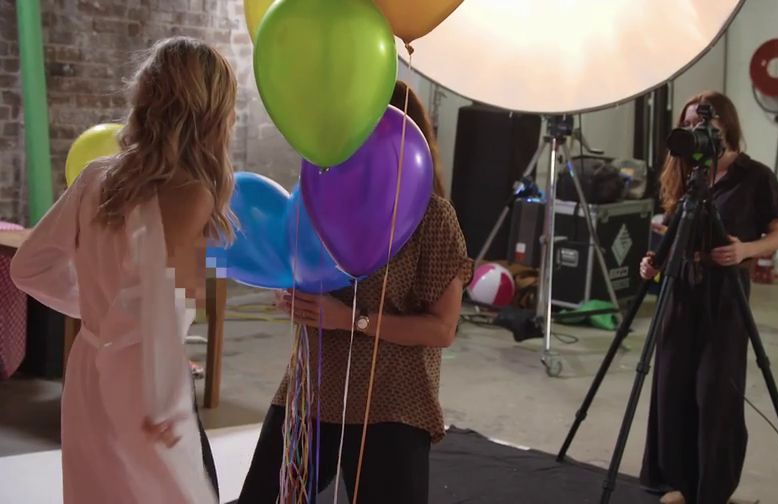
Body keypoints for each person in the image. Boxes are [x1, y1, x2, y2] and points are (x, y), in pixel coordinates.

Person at [11, 36, 237, 503]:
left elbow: (28, 267)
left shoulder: (95, 176)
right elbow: (159, 309)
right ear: (210, 113)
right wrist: (164, 400)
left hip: (88, 371)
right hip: (146, 383)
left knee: (96, 489)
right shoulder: (192, 193)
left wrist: (95, 310)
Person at [238, 80, 472, 504]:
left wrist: (351, 320)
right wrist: (293, 290)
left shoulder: (433, 218)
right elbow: (302, 267)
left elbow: (442, 329)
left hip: (392, 401)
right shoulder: (319, 201)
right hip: (312, 389)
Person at [637, 91, 778, 504]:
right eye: (688, 124)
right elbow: (674, 228)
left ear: (726, 126)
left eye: (705, 124)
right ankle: (681, 484)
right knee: (672, 387)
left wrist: (745, 250)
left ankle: (712, 491)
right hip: (682, 290)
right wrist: (654, 261)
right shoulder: (689, 174)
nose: (696, 131)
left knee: (715, 393)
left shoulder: (755, 176)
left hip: (725, 297)